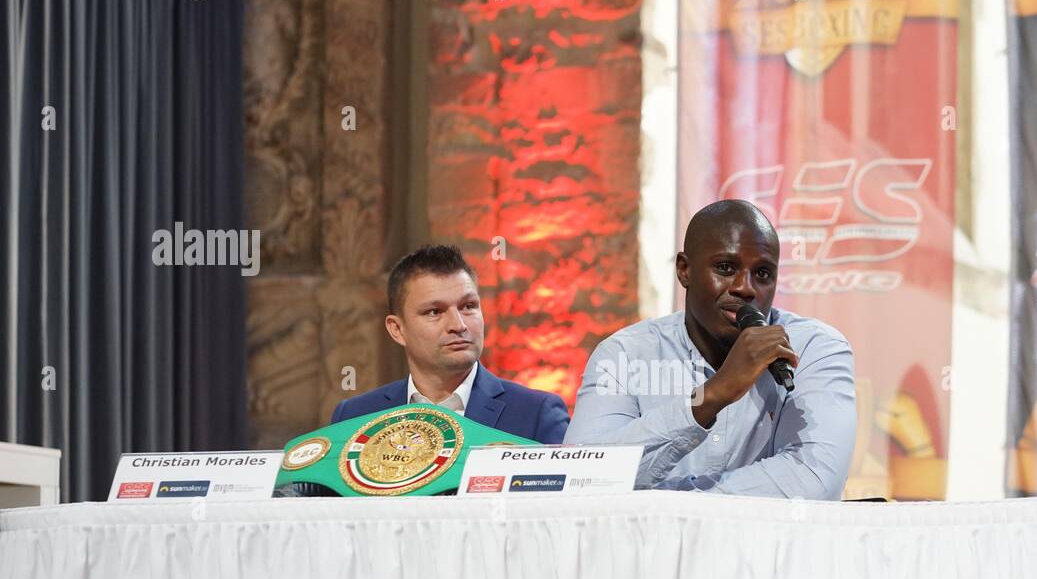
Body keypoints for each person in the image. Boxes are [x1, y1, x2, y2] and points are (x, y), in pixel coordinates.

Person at [565, 200, 856, 499]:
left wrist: (661, 501)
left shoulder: (813, 349)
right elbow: (581, 479)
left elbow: (813, 481)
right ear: (684, 270)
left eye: (763, 274)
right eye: (726, 268)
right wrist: (711, 396)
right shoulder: (624, 355)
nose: (746, 287)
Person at [330, 245, 570, 443]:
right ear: (397, 329)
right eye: (435, 311)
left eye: (468, 307)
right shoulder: (354, 419)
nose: (458, 324)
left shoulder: (536, 415)